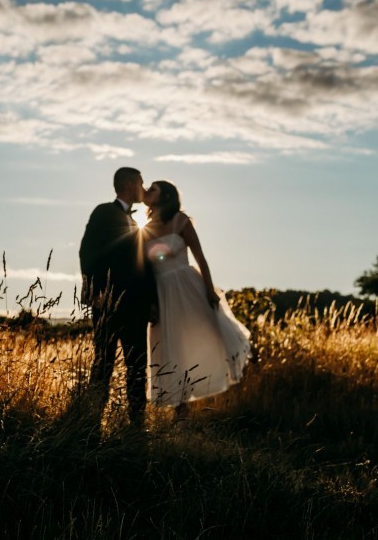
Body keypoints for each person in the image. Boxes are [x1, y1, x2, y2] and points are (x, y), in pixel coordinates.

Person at [142, 180, 250, 412]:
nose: (147, 191)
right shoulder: (145, 228)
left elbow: (200, 257)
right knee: (169, 347)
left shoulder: (181, 220)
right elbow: (146, 270)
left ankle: (200, 393)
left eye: (153, 188)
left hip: (187, 287)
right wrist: (150, 302)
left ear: (166, 196)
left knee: (200, 337)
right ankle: (179, 409)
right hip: (161, 293)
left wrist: (209, 289)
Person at [78, 167, 158, 428]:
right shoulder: (103, 212)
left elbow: (146, 267)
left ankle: (137, 427)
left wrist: (153, 303)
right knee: (103, 364)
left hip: (137, 307)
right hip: (108, 303)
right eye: (141, 183)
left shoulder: (136, 224)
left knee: (137, 368)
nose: (143, 188)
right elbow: (87, 252)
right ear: (130, 184)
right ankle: (91, 423)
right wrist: (95, 291)